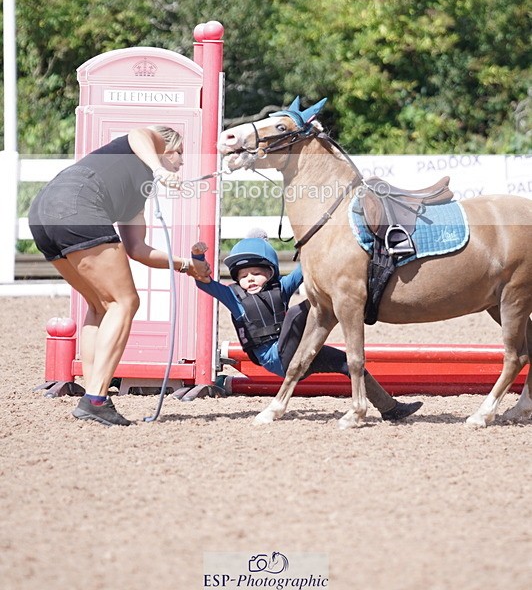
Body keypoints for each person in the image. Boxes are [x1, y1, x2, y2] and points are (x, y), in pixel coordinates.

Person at [29, 126, 210, 427]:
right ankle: (96, 399)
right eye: (180, 154)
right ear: (168, 147)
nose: (182, 162)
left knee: (100, 305)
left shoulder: (139, 193)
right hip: (78, 203)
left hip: (44, 211)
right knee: (125, 302)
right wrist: (158, 167)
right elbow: (139, 133)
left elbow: (137, 249)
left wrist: (186, 265)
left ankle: (93, 394)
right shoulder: (148, 143)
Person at [191, 233, 423, 421]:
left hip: (298, 352)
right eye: (244, 275)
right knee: (308, 307)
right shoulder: (232, 296)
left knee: (347, 362)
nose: (250, 279)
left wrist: (320, 242)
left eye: (257, 274)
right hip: (275, 358)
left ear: (270, 273)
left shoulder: (281, 287)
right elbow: (205, 283)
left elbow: (305, 268)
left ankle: (389, 408)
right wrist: (197, 257)